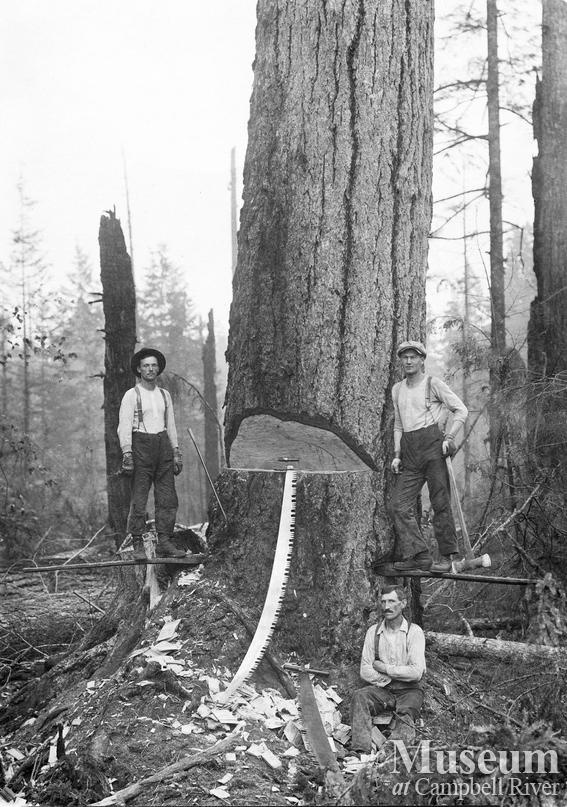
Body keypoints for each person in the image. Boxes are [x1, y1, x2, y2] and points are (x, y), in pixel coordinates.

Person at [390, 340, 468, 573]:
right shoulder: (397, 389)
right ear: (401, 360)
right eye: (405, 357)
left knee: (440, 503)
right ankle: (420, 555)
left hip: (434, 450)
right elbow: (398, 425)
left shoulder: (433, 384)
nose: (409, 361)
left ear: (422, 360)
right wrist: (397, 455)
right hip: (409, 454)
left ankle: (448, 558)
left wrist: (449, 437)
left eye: (413, 357)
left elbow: (461, 410)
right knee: (398, 506)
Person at [118, 347, 185, 560]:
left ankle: (164, 541)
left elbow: (171, 425)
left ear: (158, 369)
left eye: (154, 365)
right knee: (139, 498)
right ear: (139, 369)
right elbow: (124, 425)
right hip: (140, 446)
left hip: (163, 446)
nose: (150, 369)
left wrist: (176, 451)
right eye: (146, 365)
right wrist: (127, 452)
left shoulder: (164, 395)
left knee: (168, 497)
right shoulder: (132, 395)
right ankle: (137, 542)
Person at [350, 586, 425, 752]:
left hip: (409, 690)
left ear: (403, 603)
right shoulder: (373, 632)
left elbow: (416, 673)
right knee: (360, 696)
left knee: (406, 714)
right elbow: (365, 670)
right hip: (383, 688)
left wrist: (385, 668)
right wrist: (392, 678)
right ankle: (360, 751)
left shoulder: (414, 632)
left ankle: (391, 753)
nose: (386, 606)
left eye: (391, 601)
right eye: (383, 602)